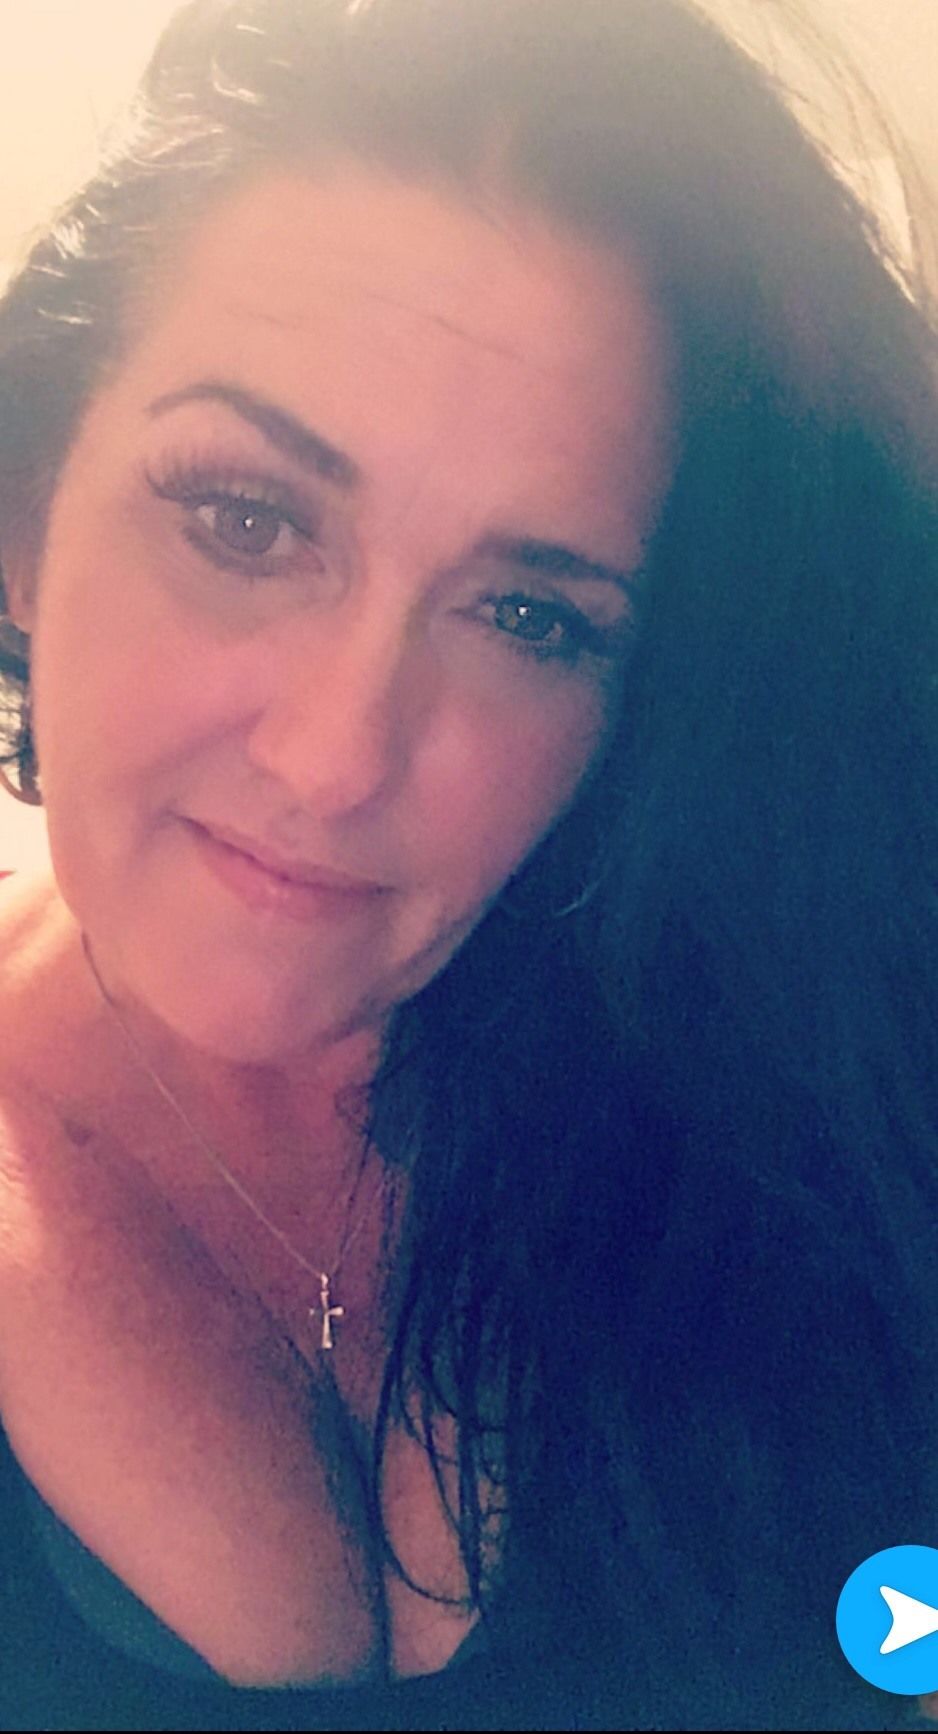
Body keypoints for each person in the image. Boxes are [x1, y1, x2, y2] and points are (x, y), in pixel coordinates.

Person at [0, 0, 935, 1727]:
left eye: (528, 614)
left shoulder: (779, 1063)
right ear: (24, 517)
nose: (337, 756)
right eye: (245, 518)